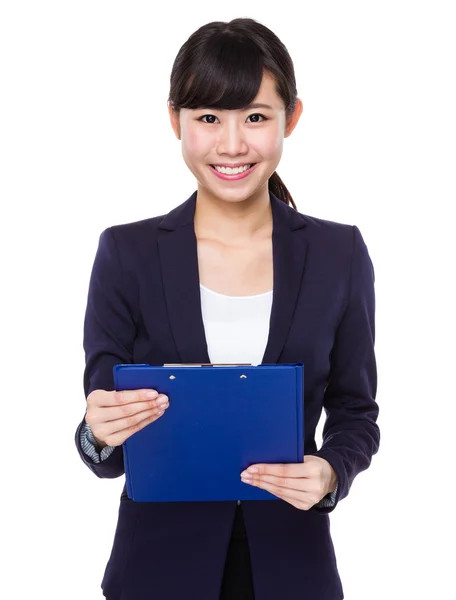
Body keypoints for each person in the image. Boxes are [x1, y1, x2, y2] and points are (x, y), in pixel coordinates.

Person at [74, 17, 380, 600]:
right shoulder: (127, 252)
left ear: (291, 118)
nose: (232, 144)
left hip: (294, 567)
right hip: (155, 571)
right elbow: (102, 446)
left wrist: (332, 472)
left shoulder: (338, 253)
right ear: (176, 121)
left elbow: (355, 410)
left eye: (256, 117)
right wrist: (99, 429)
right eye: (209, 118)